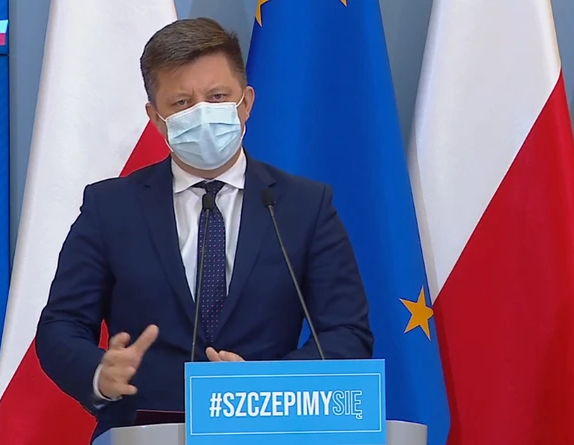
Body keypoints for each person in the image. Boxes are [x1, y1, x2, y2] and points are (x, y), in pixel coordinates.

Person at [35, 17, 374, 439]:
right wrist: (98, 373)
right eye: (181, 103)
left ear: (245, 103)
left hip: (269, 431)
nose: (202, 114)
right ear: (156, 118)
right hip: (143, 432)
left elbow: (347, 333)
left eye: (216, 97)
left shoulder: (304, 205)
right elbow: (61, 325)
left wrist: (267, 385)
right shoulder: (110, 207)